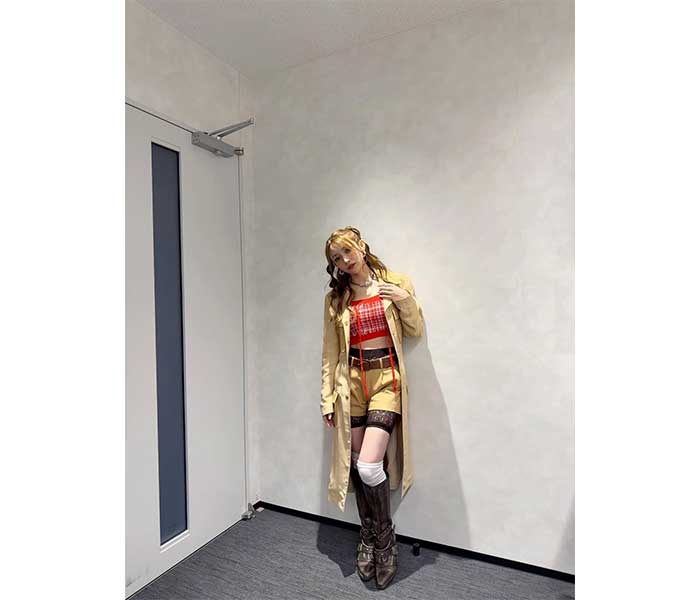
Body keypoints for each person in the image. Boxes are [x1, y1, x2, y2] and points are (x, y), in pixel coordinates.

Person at [320, 226, 425, 590]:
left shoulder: (395, 282)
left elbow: (415, 329)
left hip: (386, 381)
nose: (344, 261)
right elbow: (330, 353)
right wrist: (327, 397)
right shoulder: (336, 299)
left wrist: (403, 299)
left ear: (361, 246)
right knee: (356, 463)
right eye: (337, 258)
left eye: (347, 252)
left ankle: (384, 539)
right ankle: (367, 535)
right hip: (351, 384)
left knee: (368, 466)